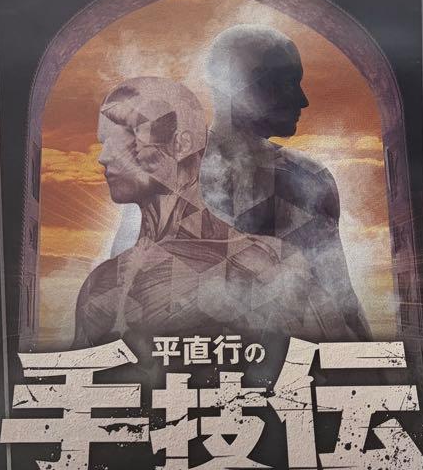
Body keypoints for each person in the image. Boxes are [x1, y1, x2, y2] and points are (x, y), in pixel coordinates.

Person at [72, 77, 348, 382]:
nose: (104, 156)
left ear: (181, 144)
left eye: (129, 133)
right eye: (104, 141)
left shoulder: (269, 264)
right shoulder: (102, 283)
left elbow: (334, 374)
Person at [200, 24, 371, 339]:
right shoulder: (172, 177)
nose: (303, 100)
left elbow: (342, 302)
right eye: (285, 83)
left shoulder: (308, 178)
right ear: (235, 83)